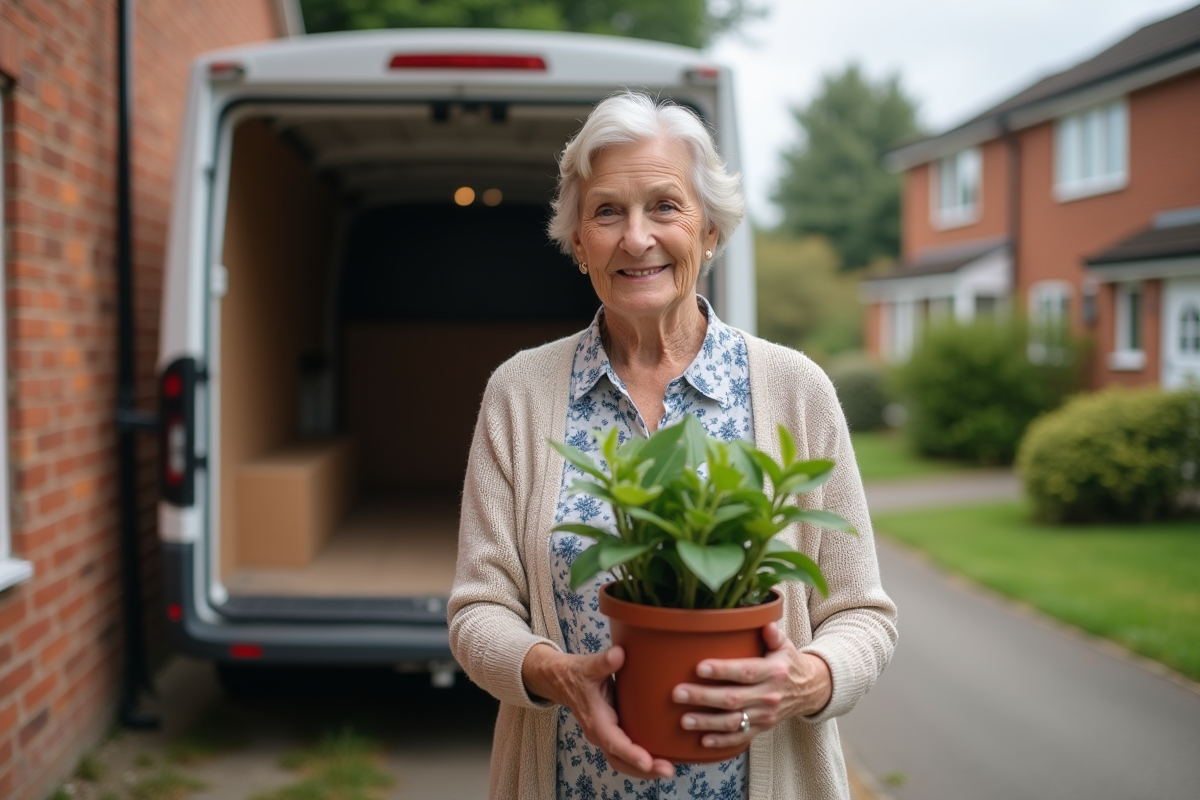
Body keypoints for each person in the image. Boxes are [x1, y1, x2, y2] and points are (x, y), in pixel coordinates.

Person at [448, 91, 897, 800]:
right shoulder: (520, 392)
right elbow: (478, 611)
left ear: (710, 229)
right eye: (606, 212)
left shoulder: (794, 389)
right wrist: (558, 674)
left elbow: (862, 614)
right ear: (576, 242)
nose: (635, 238)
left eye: (664, 206)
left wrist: (805, 680)